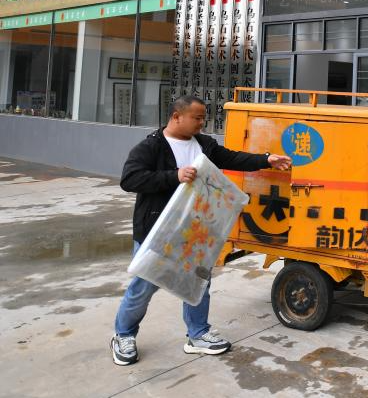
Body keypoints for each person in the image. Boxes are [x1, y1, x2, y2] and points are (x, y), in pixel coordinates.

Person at [110, 95, 292, 366]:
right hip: (157, 231)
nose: (201, 123)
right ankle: (124, 335)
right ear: (176, 117)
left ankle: (197, 334)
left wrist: (267, 159)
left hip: (195, 231)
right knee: (144, 286)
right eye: (197, 117)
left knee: (198, 283)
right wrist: (174, 176)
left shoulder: (204, 145)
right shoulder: (151, 147)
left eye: (203, 118)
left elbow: (233, 158)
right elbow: (130, 179)